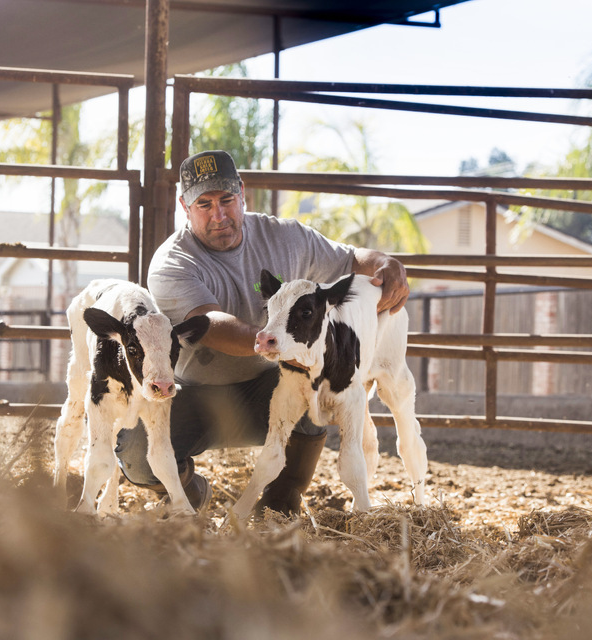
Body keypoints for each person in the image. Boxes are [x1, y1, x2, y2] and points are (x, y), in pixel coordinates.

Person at [114, 149, 410, 515]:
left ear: (242, 192)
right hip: (193, 392)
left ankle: (281, 502)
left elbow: (351, 259)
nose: (218, 215)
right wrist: (273, 337)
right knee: (135, 452)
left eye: (226, 200)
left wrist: (385, 263)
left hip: (268, 384)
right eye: (204, 204)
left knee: (310, 377)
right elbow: (211, 323)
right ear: (184, 207)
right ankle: (188, 492)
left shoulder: (285, 236)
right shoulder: (171, 263)